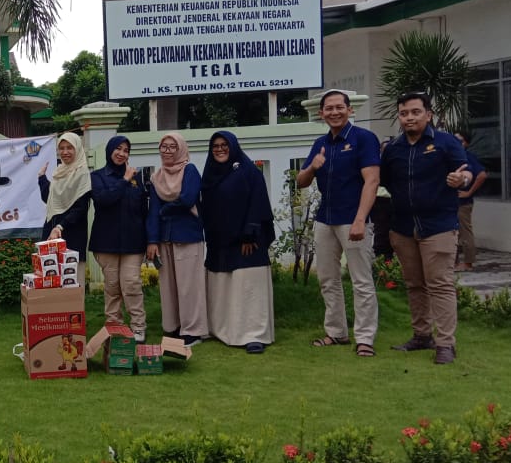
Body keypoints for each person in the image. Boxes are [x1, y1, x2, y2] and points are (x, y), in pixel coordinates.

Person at [380, 93, 474, 365]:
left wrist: (461, 180)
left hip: (439, 227)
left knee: (441, 285)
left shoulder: (445, 142)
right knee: (414, 285)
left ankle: (445, 344)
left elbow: (465, 172)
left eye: (415, 112)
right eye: (404, 113)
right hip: (403, 227)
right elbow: (383, 181)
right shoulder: (394, 149)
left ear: (428, 114)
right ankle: (422, 335)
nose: (409, 117)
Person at [295, 90, 381, 357]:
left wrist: (359, 220)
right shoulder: (321, 143)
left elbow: (372, 181)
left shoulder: (363, 139)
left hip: (353, 220)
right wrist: (313, 167)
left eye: (339, 107)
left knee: (361, 281)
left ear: (349, 110)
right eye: (328, 109)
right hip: (325, 219)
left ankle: (365, 338)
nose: (334, 112)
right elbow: (301, 181)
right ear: (321, 113)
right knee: (328, 279)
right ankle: (336, 332)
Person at [200, 131, 275, 355]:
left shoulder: (248, 171)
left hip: (247, 242)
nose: (220, 149)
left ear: (233, 147)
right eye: (216, 146)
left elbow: (258, 200)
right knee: (223, 287)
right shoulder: (210, 173)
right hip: (220, 242)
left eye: (225, 145)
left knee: (248, 289)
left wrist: (250, 234)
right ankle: (222, 330)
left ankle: (254, 335)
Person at [146, 133, 206, 347]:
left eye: (173, 147)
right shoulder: (157, 177)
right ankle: (173, 327)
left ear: (181, 149)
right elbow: (153, 210)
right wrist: (152, 240)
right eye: (164, 146)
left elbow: (188, 198)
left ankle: (193, 331)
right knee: (168, 285)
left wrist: (166, 209)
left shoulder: (189, 170)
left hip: (188, 236)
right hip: (165, 238)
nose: (168, 150)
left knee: (189, 286)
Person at [90, 135, 148, 341]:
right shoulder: (97, 176)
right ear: (110, 150)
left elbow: (143, 210)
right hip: (107, 242)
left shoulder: (137, 178)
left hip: (133, 242)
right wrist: (124, 180)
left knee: (131, 284)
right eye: (118, 149)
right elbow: (104, 200)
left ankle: (139, 326)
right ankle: (114, 325)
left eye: (126, 150)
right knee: (112, 286)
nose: (122, 153)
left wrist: (149, 240)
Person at [38, 131, 90, 256]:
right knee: (50, 273)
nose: (65, 152)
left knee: (71, 274)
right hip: (52, 230)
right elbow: (49, 199)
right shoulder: (59, 171)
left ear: (77, 148)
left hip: (72, 233)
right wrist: (41, 178)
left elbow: (81, 208)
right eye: (61, 148)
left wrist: (60, 226)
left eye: (69, 148)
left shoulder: (82, 173)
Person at [453, 131, 487, 271]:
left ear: (466, 143)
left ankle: (468, 262)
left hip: (463, 203)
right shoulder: (452, 156)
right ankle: (453, 262)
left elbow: (482, 175)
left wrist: (469, 191)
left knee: (465, 232)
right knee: (452, 233)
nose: (456, 143)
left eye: (459, 141)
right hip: (450, 203)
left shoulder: (467, 157)